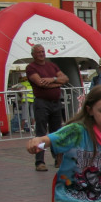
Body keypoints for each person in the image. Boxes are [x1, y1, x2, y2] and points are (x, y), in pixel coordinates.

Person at [27, 43, 68, 172]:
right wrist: (57, 83)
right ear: (33, 54)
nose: (41, 54)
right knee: (41, 132)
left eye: (43, 51)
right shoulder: (31, 67)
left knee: (57, 133)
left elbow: (65, 78)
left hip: (55, 102)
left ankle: (58, 159)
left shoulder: (52, 65)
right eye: (38, 52)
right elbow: (40, 83)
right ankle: (40, 161)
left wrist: (52, 79)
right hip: (41, 102)